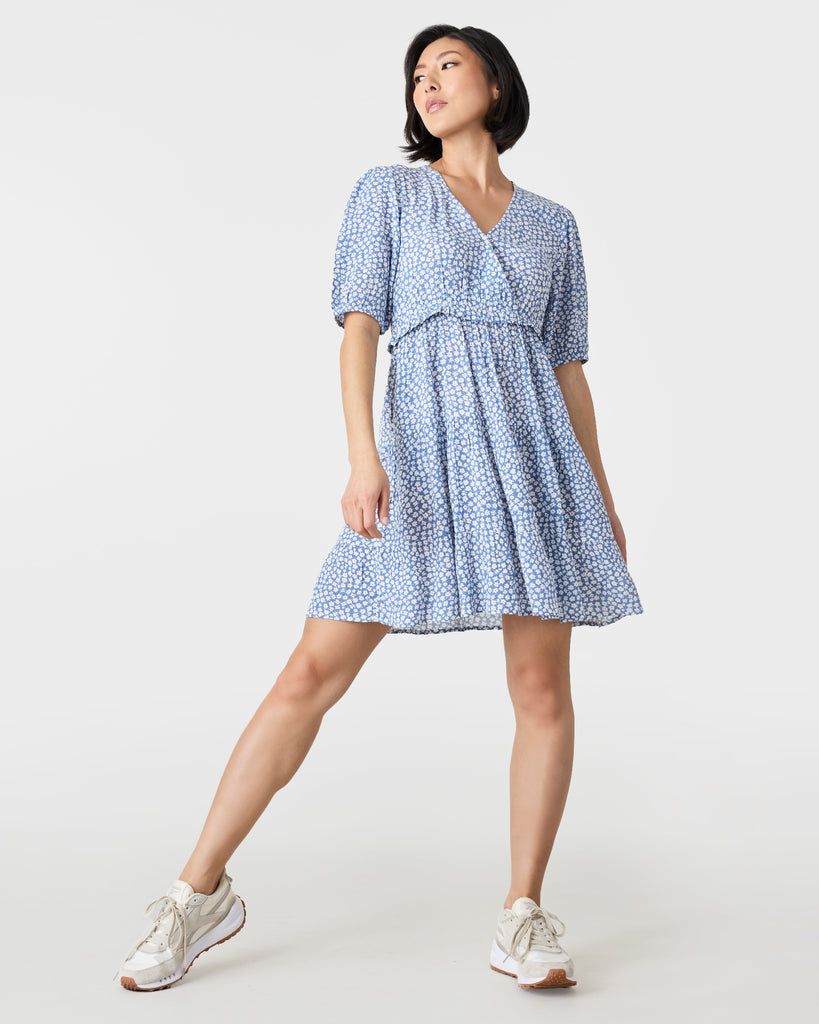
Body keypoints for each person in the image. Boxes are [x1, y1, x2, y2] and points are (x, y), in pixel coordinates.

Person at [115, 22, 644, 993]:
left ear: (496, 80)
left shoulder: (553, 225)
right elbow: (359, 331)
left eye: (447, 64)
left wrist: (599, 498)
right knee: (310, 674)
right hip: (421, 463)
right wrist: (364, 459)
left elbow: (568, 372)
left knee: (540, 693)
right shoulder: (389, 194)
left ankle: (521, 913)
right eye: (416, 73)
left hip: (533, 471)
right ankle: (197, 894)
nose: (427, 82)